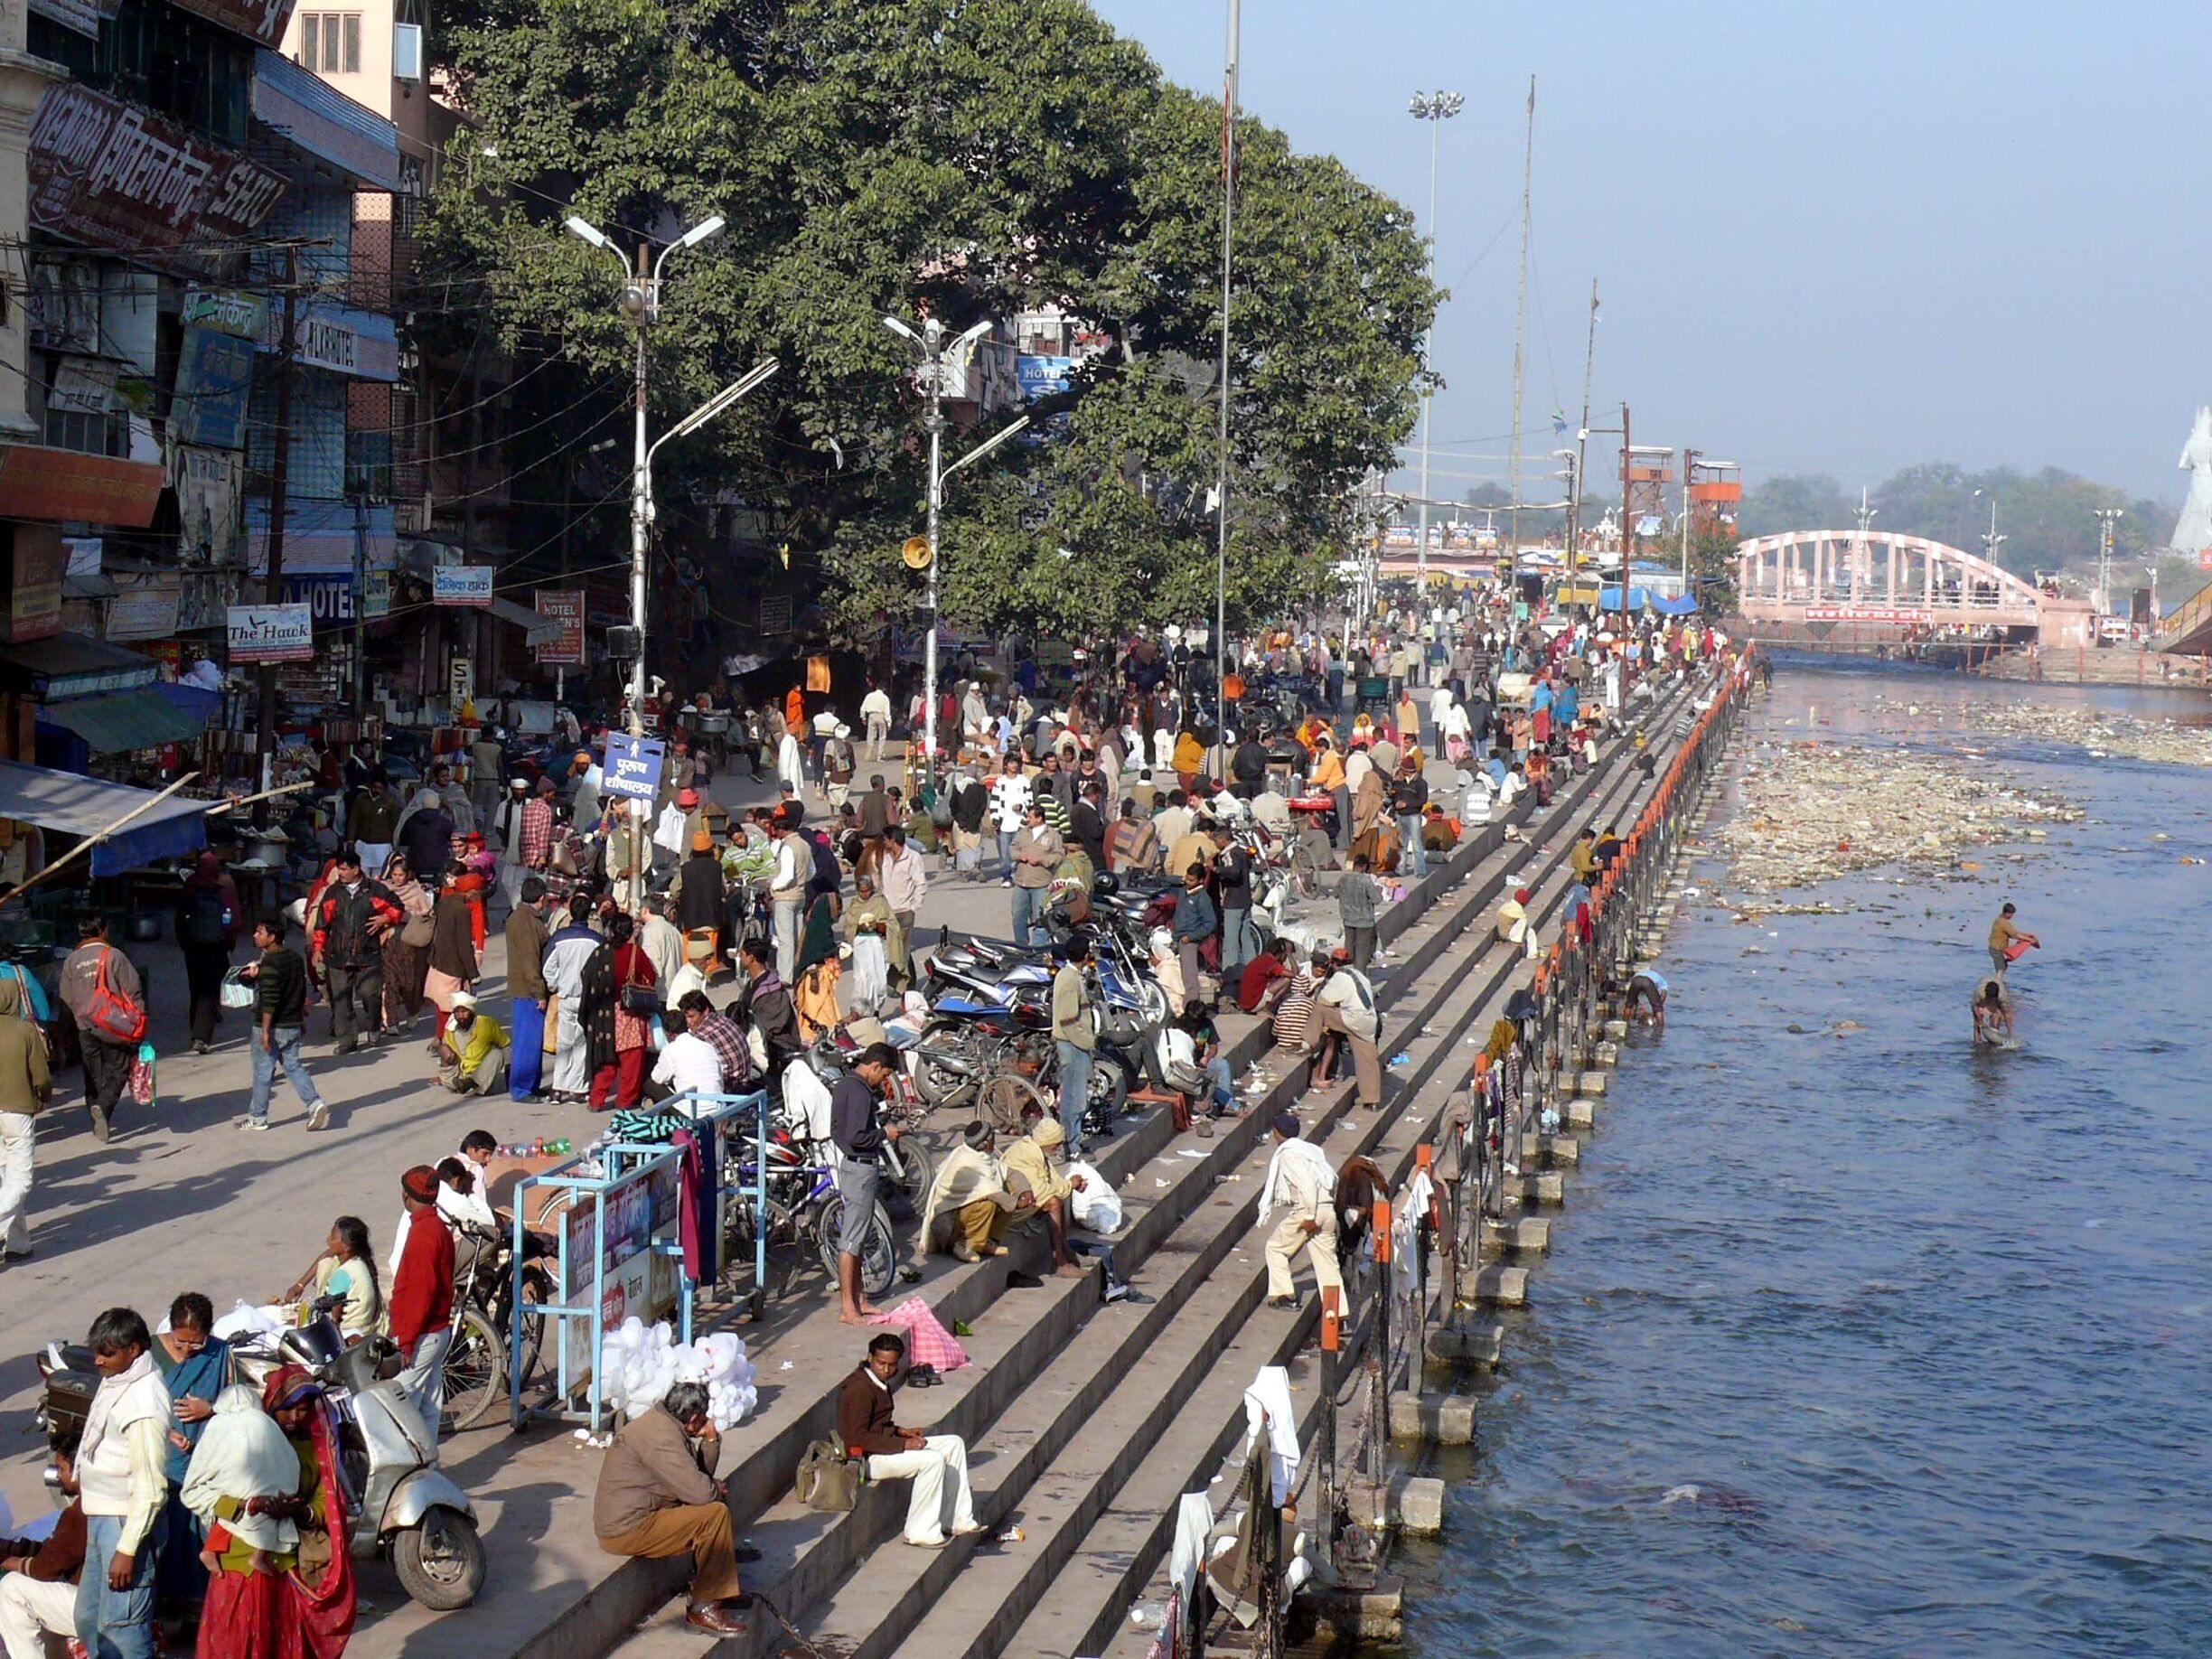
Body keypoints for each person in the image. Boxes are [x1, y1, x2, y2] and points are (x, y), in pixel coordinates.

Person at [594, 1380, 748, 1635]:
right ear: (694, 1418)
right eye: (704, 1418)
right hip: (626, 1530)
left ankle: (716, 1584)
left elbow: (695, 1479)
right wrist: (710, 1478)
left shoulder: (664, 1424)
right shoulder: (661, 1438)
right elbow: (702, 1494)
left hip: (644, 1514)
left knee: (715, 1501)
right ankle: (703, 1608)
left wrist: (710, 1444)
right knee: (714, 1514)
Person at [74, 1307, 174, 1659]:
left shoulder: (142, 1402)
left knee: (122, 1631)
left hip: (125, 1525)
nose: (98, 1361)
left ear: (133, 1350)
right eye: (96, 1352)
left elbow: (151, 1489)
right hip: (104, 1518)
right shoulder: (119, 1378)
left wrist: (127, 1550)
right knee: (88, 1618)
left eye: (107, 1353)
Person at [835, 1333, 980, 1550]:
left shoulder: (878, 1382)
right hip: (865, 1460)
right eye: (880, 1363)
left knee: (954, 1443)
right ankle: (921, 1531)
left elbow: (877, 1425)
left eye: (892, 1365)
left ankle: (957, 1518)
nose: (886, 1369)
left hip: (882, 1448)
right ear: (869, 1357)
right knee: (932, 1461)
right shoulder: (860, 1389)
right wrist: (903, 1445)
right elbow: (857, 1437)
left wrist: (902, 1432)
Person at [830, 1045, 904, 1324]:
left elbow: (840, 1131)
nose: (882, 1080)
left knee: (857, 1238)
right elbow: (858, 1136)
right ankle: (848, 1308)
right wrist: (885, 1132)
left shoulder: (845, 1084)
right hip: (860, 1168)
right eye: (883, 1074)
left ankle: (858, 1299)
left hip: (852, 1165)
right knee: (851, 1240)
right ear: (874, 1066)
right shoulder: (860, 1092)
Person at [235, 917, 328, 1134]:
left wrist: (265, 1032)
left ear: (272, 936)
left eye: (260, 932)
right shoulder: (294, 958)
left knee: (262, 1072)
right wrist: (300, 1019)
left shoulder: (270, 963)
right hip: (291, 1024)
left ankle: (258, 1117)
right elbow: (298, 990)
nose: (255, 936)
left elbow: (270, 999)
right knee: (293, 1066)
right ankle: (315, 1103)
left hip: (272, 1026)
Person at [0, 1433, 86, 1659]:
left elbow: (45, 1568)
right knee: (37, 1597)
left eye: (61, 1469)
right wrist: (11, 1548)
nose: (56, 1476)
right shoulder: (97, 1501)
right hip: (103, 1603)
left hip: (98, 1609)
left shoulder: (81, 1512)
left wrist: (6, 1561)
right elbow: (56, 1552)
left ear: (79, 1470)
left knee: (11, 1589)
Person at [60, 915, 143, 1143]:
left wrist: (66, 1032)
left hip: (84, 1025)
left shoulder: (71, 960)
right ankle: (103, 1109)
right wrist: (139, 1022)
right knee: (118, 1070)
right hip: (114, 1024)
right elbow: (133, 991)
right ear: (103, 932)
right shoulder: (114, 956)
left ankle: (97, 1115)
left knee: (93, 1073)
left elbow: (65, 998)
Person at [309, 851, 398, 1056]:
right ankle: (347, 1040)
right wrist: (317, 949)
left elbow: (397, 907)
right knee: (340, 999)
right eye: (338, 869)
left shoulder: (375, 890)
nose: (340, 873)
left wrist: (384, 919)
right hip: (338, 955)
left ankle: (374, 1026)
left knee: (370, 994)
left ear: (355, 869)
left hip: (368, 953)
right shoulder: (333, 893)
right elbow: (322, 924)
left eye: (343, 869)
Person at [388, 1167, 455, 1436]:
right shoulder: (437, 1228)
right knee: (429, 1408)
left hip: (422, 1335)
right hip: (437, 1331)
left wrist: (405, 1343)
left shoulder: (423, 1235)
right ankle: (428, 1468)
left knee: (398, 1407)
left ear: (406, 1196)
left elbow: (419, 1294)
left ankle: (409, 1470)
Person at [1256, 1112, 1342, 1310]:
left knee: (1275, 1247)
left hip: (1309, 1210)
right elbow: (1331, 1178)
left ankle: (1284, 1295)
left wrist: (1310, 1217)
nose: (1273, 1135)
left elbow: (1308, 1186)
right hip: (1327, 1209)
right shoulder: (1312, 1151)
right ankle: (1338, 1315)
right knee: (1327, 1265)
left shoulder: (1289, 1154)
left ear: (1279, 1133)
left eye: (1274, 1131)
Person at [923, 1120, 1029, 1263]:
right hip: (947, 1227)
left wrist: (1025, 1191)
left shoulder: (984, 1158)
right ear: (987, 1142)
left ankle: (988, 1241)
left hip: (963, 1216)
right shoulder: (965, 1162)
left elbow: (1010, 1173)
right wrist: (1018, 1203)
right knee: (988, 1203)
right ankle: (965, 1245)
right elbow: (990, 1191)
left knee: (1006, 1191)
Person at [1000, 1116, 1088, 1278]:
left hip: (1027, 1201)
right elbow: (1040, 1191)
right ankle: (1059, 1262)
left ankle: (1065, 1249)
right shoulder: (1024, 1155)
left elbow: (1052, 1179)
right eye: (1057, 1144)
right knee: (1053, 1203)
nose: (1058, 1148)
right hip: (1011, 1208)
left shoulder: (1037, 1152)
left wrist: (1071, 1185)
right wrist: (1069, 1185)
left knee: (1058, 1198)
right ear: (1048, 1141)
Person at [0, 974, 49, 1261]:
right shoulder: (25, 1031)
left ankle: (18, 1242)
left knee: (5, 1176)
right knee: (21, 1179)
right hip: (18, 1112)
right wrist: (43, 1097)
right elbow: (41, 1077)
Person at [175, 852, 240, 1055]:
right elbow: (234, 919)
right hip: (216, 947)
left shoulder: (191, 886)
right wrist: (229, 944)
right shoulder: (224, 888)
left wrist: (185, 943)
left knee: (196, 987)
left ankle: (195, 1028)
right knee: (211, 991)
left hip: (194, 947)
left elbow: (179, 919)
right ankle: (202, 1036)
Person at [279, 1216, 383, 1339]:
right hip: (365, 1327)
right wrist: (300, 1285)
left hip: (347, 1332)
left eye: (333, 1237)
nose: (328, 1240)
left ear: (346, 1246)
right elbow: (326, 1254)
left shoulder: (343, 1274)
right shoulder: (360, 1263)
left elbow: (334, 1318)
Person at [593, 914, 654, 1110]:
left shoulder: (602, 952)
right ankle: (624, 1101)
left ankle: (596, 1099)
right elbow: (651, 977)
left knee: (608, 1060)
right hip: (630, 1011)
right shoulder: (635, 953)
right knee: (631, 1060)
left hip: (606, 1013)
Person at [1312, 952, 1383, 1110]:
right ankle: (1371, 1101)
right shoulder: (1360, 975)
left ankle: (1306, 1041)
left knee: (1320, 1009)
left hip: (1353, 1020)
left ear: (1333, 963)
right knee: (1368, 1061)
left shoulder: (1340, 977)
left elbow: (1324, 1000)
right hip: (1370, 1021)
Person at [423, 866, 481, 1054]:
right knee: (451, 1009)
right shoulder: (462, 911)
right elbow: (464, 946)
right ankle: (447, 1045)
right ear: (469, 891)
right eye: (477, 891)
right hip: (453, 968)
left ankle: (438, 1039)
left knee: (441, 1007)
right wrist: (473, 974)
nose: (478, 896)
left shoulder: (446, 902)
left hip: (438, 962)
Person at [378, 851, 435, 1034]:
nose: (397, 878)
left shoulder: (416, 892)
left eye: (401, 875)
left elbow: (425, 915)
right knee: (390, 981)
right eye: (394, 874)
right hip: (387, 942)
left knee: (409, 983)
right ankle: (392, 1022)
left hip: (409, 943)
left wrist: (401, 917)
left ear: (408, 874)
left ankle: (412, 1011)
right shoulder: (382, 889)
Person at [505, 877, 552, 1101]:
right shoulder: (528, 923)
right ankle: (522, 1088)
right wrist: (539, 992)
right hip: (528, 991)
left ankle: (531, 1084)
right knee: (528, 1042)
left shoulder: (519, 917)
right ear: (541, 898)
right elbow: (530, 961)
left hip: (522, 988)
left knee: (531, 1042)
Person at [735, 936, 802, 1080]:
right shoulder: (754, 984)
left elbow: (770, 1029)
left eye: (741, 954)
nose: (739, 958)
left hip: (779, 1054)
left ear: (751, 957)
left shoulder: (772, 992)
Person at [1051, 938, 1095, 1156]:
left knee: (1075, 1095)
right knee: (1074, 1097)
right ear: (1085, 956)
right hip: (1072, 1044)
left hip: (1073, 1043)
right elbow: (1069, 1021)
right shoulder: (1069, 980)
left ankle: (1073, 1140)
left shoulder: (1070, 976)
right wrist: (1087, 1041)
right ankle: (1071, 1144)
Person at [1008, 801, 1063, 949]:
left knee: (1040, 919)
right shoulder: (1023, 832)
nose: (1027, 819)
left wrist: (1042, 860)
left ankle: (1038, 948)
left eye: (1030, 817)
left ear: (1039, 819)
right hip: (1021, 882)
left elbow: (1058, 855)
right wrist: (1019, 856)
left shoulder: (1052, 835)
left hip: (1041, 883)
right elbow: (1012, 848)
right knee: (1018, 916)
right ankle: (1021, 945)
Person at [673, 830, 727, 978]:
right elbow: (724, 889)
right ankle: (707, 975)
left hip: (690, 919)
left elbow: (675, 889)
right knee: (709, 952)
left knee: (689, 953)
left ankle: (691, 976)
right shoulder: (717, 867)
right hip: (711, 918)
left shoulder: (685, 868)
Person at [878, 828, 927, 984]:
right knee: (893, 950)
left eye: (885, 839)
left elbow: (920, 884)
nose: (884, 842)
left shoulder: (913, 858)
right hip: (889, 912)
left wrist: (913, 907)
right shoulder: (886, 858)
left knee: (903, 951)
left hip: (905, 911)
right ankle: (899, 982)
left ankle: (906, 985)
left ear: (893, 840)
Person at [437, 992, 511, 1095]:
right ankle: (459, 1085)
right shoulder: (450, 1030)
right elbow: (445, 1056)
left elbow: (504, 1044)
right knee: (445, 1051)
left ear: (471, 1011)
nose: (461, 1016)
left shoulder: (486, 1024)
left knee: (497, 1054)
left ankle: (472, 1083)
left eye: (464, 1012)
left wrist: (510, 1072)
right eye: (457, 1013)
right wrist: (443, 1052)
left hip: (481, 1074)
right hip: (459, 1074)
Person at [1169, 862, 1216, 1009]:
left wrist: (1191, 937)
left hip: (1189, 942)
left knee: (1190, 979)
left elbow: (1210, 923)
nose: (1187, 882)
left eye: (1191, 880)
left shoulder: (1202, 898)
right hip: (1178, 938)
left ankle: (1191, 1009)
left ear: (1201, 881)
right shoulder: (1184, 892)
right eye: (1187, 878)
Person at [987, 756, 1031, 883]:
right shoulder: (1000, 782)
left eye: (1016, 763)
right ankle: (1006, 876)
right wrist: (995, 819)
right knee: (1005, 852)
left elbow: (1029, 799)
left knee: (1021, 850)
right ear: (1006, 765)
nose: (1014, 765)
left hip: (1020, 823)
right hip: (1004, 823)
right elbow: (994, 802)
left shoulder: (1024, 781)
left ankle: (1020, 875)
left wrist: (1022, 807)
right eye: (1011, 763)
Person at [344, 774, 399, 876]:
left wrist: (394, 843)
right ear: (370, 787)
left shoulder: (389, 802)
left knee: (378, 877)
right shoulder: (361, 800)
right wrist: (350, 840)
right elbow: (354, 821)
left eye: (380, 788)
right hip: (364, 844)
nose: (377, 790)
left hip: (382, 845)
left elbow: (395, 824)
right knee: (361, 874)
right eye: (375, 787)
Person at [1336, 854, 1381, 971]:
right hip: (1364, 922)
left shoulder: (1343, 879)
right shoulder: (1366, 881)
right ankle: (1359, 977)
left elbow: (1336, 894)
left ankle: (1346, 973)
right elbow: (1377, 899)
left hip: (1348, 919)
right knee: (1362, 951)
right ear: (1364, 866)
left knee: (1349, 948)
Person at [1236, 938, 1296, 1016]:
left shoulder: (1263, 958)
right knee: (1287, 980)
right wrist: (1289, 954)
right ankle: (1266, 1008)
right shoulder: (1270, 962)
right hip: (1252, 1004)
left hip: (1246, 1003)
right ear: (1282, 952)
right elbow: (1294, 974)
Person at [1988, 902, 2038, 980]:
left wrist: (2027, 936)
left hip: (1996, 948)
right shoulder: (2003, 922)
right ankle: (1998, 982)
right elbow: (2015, 935)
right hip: (1996, 949)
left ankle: (1999, 981)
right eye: (2011, 914)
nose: (2012, 916)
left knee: (2003, 967)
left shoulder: (1999, 920)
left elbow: (2013, 933)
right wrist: (2030, 940)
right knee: (2001, 968)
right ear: (2007, 913)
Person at [1623, 968, 1668, 1032]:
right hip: (1648, 981)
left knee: (1629, 1005)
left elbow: (1633, 996)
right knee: (1659, 1009)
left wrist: (1639, 1005)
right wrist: (1655, 1010)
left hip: (1636, 979)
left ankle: (1624, 1024)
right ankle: (1660, 1030)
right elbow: (1663, 996)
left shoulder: (1641, 973)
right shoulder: (1664, 982)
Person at [1972, 979, 2014, 1045]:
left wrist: (2010, 1032)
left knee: (1996, 1016)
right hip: (1982, 995)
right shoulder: (1979, 993)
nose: (1990, 1001)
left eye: (1992, 1000)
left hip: (1998, 996)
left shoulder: (2003, 998)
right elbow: (1974, 1006)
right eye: (1989, 999)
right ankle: (1977, 1044)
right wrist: (1980, 1020)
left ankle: (1993, 1041)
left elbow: (2007, 1014)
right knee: (1977, 1022)